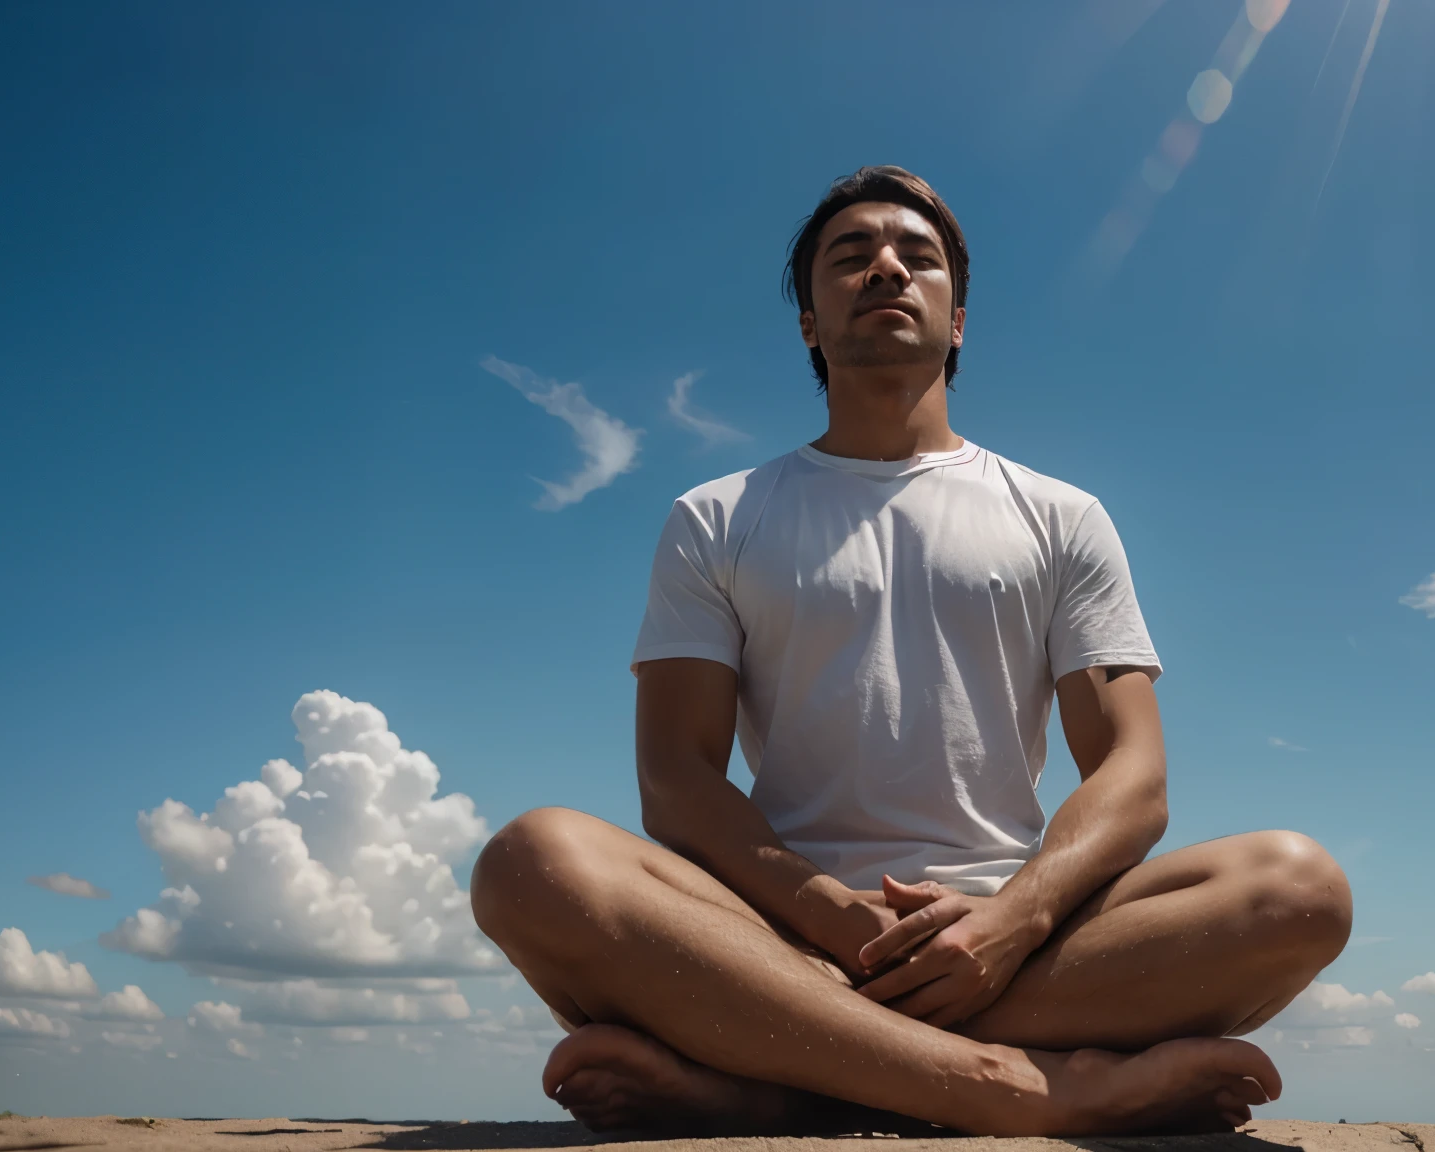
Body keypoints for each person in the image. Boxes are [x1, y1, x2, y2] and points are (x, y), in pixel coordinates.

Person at [470, 166, 1351, 1136]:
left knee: (1296, 888)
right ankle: (1019, 1090)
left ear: (957, 316)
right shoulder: (716, 518)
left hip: (1020, 937)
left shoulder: (1061, 516)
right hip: (774, 932)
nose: (884, 269)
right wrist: (830, 919)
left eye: (914, 257)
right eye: (849, 258)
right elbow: (677, 779)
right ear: (809, 321)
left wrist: (1009, 921)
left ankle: (775, 1074)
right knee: (530, 861)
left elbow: (1132, 775)